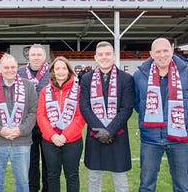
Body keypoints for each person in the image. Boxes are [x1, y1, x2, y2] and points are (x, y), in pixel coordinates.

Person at [134, 38, 188, 192]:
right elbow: (138, 103)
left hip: (180, 138)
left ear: (172, 51)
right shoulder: (139, 75)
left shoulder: (186, 72)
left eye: (165, 50)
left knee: (182, 186)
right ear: (151, 53)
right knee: (146, 186)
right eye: (158, 51)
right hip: (150, 139)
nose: (162, 55)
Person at [0, 53, 38, 192]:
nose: (10, 70)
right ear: (0, 68)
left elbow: (33, 112)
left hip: (21, 142)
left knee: (23, 182)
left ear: (18, 67)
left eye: (13, 67)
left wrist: (20, 130)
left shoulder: (28, 86)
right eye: (6, 67)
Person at [79, 41, 134, 192]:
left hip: (118, 135)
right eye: (101, 55)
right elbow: (84, 107)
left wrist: (109, 131)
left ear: (114, 56)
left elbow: (127, 108)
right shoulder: (86, 79)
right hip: (95, 135)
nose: (105, 57)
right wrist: (100, 131)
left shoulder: (126, 79)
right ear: (95, 57)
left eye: (108, 54)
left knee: (120, 181)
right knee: (94, 178)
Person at [37, 56, 85, 192]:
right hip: (50, 141)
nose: (61, 71)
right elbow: (41, 115)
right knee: (52, 176)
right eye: (57, 68)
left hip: (73, 141)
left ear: (69, 71)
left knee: (72, 175)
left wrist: (65, 135)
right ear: (52, 71)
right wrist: (52, 135)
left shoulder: (79, 90)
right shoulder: (45, 91)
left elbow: (80, 117)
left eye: (64, 68)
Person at [18, 43, 50, 192]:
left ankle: (47, 189)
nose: (36, 58)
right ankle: (33, 189)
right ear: (28, 56)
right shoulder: (20, 73)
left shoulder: (53, 71)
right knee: (31, 162)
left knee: (49, 161)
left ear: (44, 57)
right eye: (33, 55)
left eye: (39, 55)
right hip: (28, 125)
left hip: (48, 124)